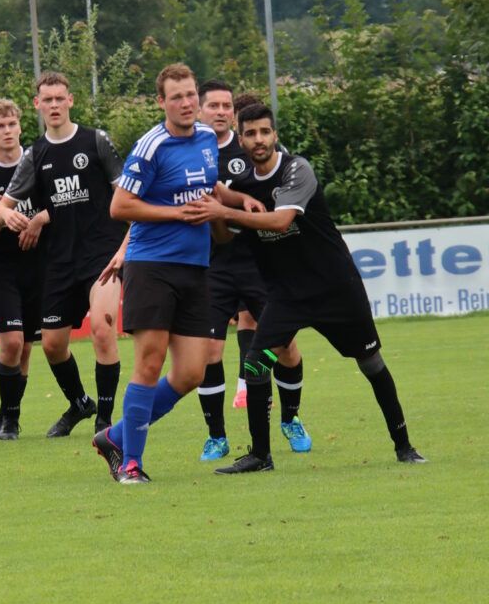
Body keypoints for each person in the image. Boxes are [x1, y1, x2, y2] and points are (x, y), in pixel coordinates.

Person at [186, 103, 426, 473]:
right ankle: (260, 456)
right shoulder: (242, 187)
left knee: (371, 363)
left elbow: (281, 221)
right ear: (241, 139)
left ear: (275, 134)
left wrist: (225, 211)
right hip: (287, 296)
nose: (258, 139)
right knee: (256, 363)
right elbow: (224, 235)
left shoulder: (297, 169)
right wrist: (213, 211)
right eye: (250, 133)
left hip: (336, 289)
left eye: (265, 131)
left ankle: (404, 446)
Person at [89, 63, 237, 483]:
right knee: (150, 363)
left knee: (192, 373)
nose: (187, 103)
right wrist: (176, 213)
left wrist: (237, 201)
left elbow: (209, 187)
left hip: (196, 267)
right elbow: (120, 206)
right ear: (161, 102)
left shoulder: (207, 138)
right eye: (177, 97)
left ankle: (115, 437)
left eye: (191, 95)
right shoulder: (151, 146)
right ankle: (131, 464)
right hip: (152, 266)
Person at [0, 71, 126, 438]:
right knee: (52, 345)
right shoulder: (35, 154)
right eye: (47, 100)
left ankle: (105, 420)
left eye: (59, 98)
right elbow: (3, 205)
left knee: (102, 327)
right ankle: (80, 403)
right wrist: (8, 215)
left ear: (70, 100)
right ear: (37, 105)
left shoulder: (96, 141)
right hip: (59, 261)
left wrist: (125, 248)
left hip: (101, 254)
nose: (54, 105)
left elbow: (127, 196)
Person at [194, 80, 308, 462]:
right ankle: (216, 436)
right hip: (211, 264)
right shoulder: (189, 152)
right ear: (199, 110)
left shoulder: (253, 147)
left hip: (261, 263)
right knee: (207, 351)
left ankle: (291, 419)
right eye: (213, 106)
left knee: (284, 347)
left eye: (226, 106)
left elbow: (282, 202)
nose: (221, 111)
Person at [0, 98, 49, 440]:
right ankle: (7, 417)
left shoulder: (40, 162)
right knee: (12, 343)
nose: (7, 131)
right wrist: (2, 216)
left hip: (38, 266)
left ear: (20, 127)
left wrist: (38, 220)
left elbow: (62, 206)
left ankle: (12, 414)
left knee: (26, 347)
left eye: (11, 124)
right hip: (0, 268)